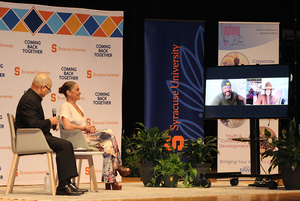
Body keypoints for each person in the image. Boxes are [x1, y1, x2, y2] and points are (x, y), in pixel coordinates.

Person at [15, 74, 86, 196]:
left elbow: (34, 123)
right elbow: (33, 124)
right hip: (31, 139)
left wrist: (50, 124)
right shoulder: (29, 100)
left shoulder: (32, 98)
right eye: (48, 89)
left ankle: (67, 183)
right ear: (43, 87)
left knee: (66, 145)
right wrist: (50, 122)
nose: (48, 92)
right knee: (65, 145)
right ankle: (64, 186)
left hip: (37, 136)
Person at [58, 81, 130, 190]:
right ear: (68, 92)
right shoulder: (65, 106)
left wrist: (89, 129)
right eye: (77, 90)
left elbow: (82, 127)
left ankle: (110, 180)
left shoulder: (79, 107)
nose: (80, 92)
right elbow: (67, 126)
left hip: (84, 137)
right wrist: (85, 128)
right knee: (110, 132)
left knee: (108, 144)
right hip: (74, 141)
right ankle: (118, 166)